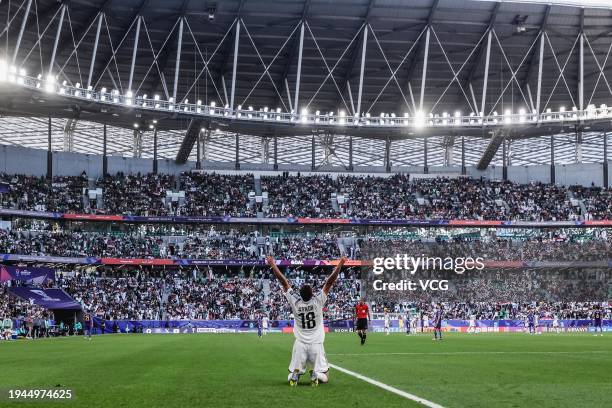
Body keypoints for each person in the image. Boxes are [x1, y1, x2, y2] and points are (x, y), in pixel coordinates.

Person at [266, 255, 347, 387]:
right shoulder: (317, 301)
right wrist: (341, 263)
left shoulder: (296, 302)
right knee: (325, 375)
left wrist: (273, 264)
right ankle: (317, 375)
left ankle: (294, 376)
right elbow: (329, 282)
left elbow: (284, 282)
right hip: (316, 344)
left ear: (300, 294)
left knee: (292, 372)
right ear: (312, 294)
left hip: (300, 344)